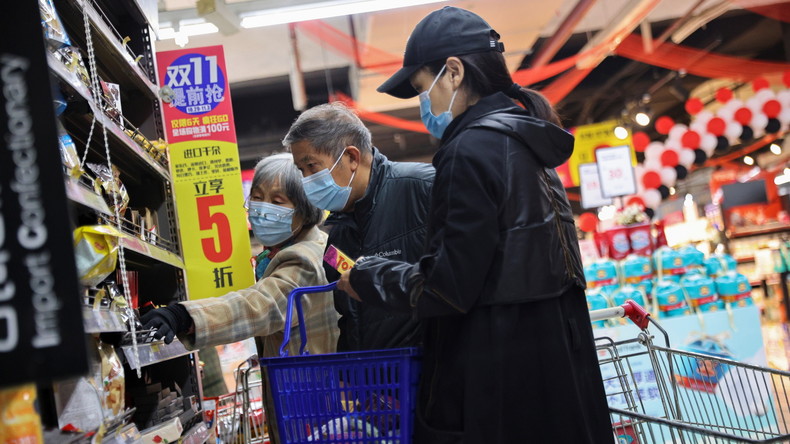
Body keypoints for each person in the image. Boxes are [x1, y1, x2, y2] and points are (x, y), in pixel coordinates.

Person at [337, 6, 612, 443]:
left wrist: (368, 277)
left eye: (422, 88)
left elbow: (447, 286)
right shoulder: (525, 139)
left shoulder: (470, 150)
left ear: (453, 72)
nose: (422, 103)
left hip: (502, 383)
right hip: (555, 373)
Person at [141, 153, 339, 358]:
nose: (262, 209)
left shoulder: (305, 258)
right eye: (257, 197)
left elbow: (261, 305)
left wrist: (183, 316)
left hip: (311, 385)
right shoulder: (319, 245)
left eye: (277, 201)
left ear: (305, 210)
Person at [283, 102, 434, 351]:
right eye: (301, 170)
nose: (307, 180)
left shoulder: (425, 189)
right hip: (378, 382)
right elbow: (349, 319)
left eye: (312, 166)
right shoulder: (337, 239)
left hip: (435, 375)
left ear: (352, 157)